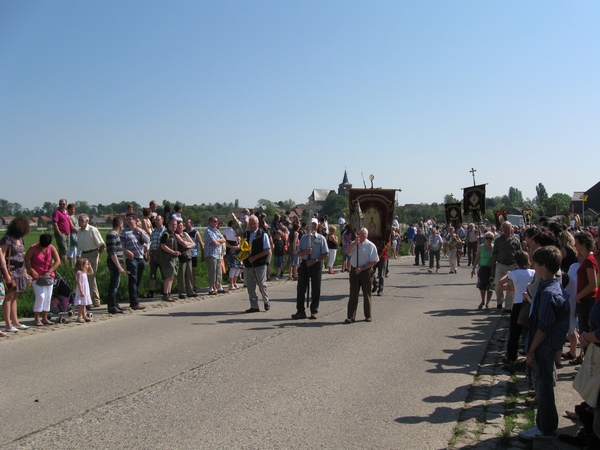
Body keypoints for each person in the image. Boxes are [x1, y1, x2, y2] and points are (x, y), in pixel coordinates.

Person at [519, 246, 570, 440]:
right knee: (543, 386)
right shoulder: (551, 284)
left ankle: (546, 428)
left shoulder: (549, 292)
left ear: (543, 266)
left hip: (543, 346)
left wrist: (530, 350)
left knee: (544, 388)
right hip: (547, 345)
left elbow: (544, 327)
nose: (532, 265)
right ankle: (543, 424)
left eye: (535, 263)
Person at [497, 250, 535, 368]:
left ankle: (512, 356)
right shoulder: (533, 272)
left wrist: (509, 281)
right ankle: (531, 355)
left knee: (514, 332)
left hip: (518, 303)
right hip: (529, 303)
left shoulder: (514, 273)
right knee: (530, 331)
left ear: (516, 261)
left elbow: (499, 284)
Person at [292, 218, 328, 320]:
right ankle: (300, 311)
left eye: (314, 224)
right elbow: (298, 253)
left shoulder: (321, 238)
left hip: (315, 264)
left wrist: (315, 260)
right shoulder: (303, 238)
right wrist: (305, 252)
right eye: (311, 224)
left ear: (317, 226)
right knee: (301, 287)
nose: (313, 226)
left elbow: (326, 253)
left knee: (316, 287)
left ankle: (314, 310)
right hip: (304, 264)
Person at [570, 231, 598, 365]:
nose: (574, 244)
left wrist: (578, 297)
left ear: (582, 243)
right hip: (584, 301)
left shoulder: (589, 261)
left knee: (586, 337)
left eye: (576, 242)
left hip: (587, 301)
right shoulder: (587, 259)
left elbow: (593, 284)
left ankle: (588, 369)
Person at [0, 216, 31, 332]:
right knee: (9, 297)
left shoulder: (21, 239)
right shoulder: (7, 239)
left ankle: (15, 321)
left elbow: (21, 256)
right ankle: (8, 324)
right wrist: (6, 274)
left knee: (15, 297)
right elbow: (1, 256)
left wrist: (25, 272)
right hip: (10, 271)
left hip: (19, 270)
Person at [24, 233, 61, 326]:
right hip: (36, 276)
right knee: (41, 296)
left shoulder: (51, 248)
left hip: (48, 276)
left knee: (48, 297)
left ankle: (45, 317)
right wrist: (32, 270)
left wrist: (50, 270)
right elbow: (26, 260)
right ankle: (36, 318)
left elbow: (58, 261)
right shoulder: (33, 248)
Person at [345, 227, 379, 323]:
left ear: (364, 235)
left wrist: (363, 268)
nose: (357, 235)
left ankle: (368, 315)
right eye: (357, 233)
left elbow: (374, 260)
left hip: (366, 271)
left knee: (366, 293)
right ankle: (351, 316)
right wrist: (354, 244)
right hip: (354, 271)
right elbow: (347, 252)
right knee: (353, 294)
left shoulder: (370, 246)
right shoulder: (354, 244)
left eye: (359, 234)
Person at [120, 213, 150, 310]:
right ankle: (134, 302)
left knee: (138, 280)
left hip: (141, 258)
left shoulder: (140, 231)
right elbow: (120, 245)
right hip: (131, 259)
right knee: (132, 280)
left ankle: (134, 298)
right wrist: (127, 251)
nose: (128, 221)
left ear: (135, 220)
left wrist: (138, 230)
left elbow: (147, 240)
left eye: (130, 219)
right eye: (127, 219)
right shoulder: (124, 232)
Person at [242, 215, 271, 313]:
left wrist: (255, 257)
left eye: (254, 224)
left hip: (260, 263)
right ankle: (254, 306)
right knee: (250, 286)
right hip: (248, 264)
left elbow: (267, 250)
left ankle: (266, 301)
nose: (252, 225)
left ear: (258, 224)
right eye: (250, 224)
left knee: (261, 284)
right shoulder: (245, 234)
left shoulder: (263, 234)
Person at [491, 221, 522, 310]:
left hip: (512, 266)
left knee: (510, 286)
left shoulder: (516, 240)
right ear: (502, 229)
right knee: (497, 284)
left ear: (511, 229)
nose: (507, 230)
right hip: (500, 265)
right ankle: (499, 301)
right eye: (505, 228)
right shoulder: (498, 240)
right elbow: (495, 254)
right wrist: (492, 267)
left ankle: (508, 306)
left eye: (508, 228)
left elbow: (520, 253)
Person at [77, 214, 106, 307]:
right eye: (79, 220)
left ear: (87, 221)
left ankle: (89, 301)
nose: (80, 222)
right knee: (85, 277)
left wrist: (97, 256)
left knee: (90, 277)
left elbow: (102, 245)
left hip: (92, 253)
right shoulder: (79, 231)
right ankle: (95, 300)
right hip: (83, 255)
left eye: (82, 220)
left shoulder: (92, 230)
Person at [105, 216, 127, 314]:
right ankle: (112, 306)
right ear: (119, 224)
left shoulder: (115, 234)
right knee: (113, 285)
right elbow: (112, 252)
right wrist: (118, 266)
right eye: (122, 223)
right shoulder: (112, 235)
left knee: (116, 284)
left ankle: (115, 303)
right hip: (114, 262)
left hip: (116, 262)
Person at [156, 217, 180, 302]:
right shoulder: (166, 234)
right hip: (167, 259)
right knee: (168, 276)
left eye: (176, 224)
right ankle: (165, 294)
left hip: (173, 258)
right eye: (173, 224)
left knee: (172, 276)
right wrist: (173, 252)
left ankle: (169, 294)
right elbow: (163, 246)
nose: (174, 226)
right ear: (168, 224)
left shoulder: (173, 233)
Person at [471, 231, 495, 309]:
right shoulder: (481, 247)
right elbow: (477, 258)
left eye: (490, 238)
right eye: (487, 238)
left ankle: (488, 302)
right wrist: (473, 268)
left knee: (490, 286)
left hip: (491, 268)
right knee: (482, 286)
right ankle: (482, 301)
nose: (488, 240)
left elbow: (495, 259)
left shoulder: (494, 247)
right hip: (482, 268)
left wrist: (493, 269)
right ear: (484, 238)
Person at [174, 220, 198, 299]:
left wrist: (188, 245)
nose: (180, 227)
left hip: (189, 255)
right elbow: (183, 243)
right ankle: (181, 292)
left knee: (189, 274)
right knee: (181, 275)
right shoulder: (176, 235)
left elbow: (193, 243)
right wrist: (188, 244)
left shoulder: (185, 233)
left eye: (181, 225)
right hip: (181, 256)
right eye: (178, 225)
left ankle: (190, 291)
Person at [204, 216, 226, 295]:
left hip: (218, 253)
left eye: (216, 221)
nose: (216, 223)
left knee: (218, 271)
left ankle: (219, 286)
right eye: (214, 221)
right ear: (210, 222)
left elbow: (224, 240)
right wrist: (218, 241)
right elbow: (214, 242)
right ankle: (211, 288)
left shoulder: (216, 231)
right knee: (212, 271)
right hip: (211, 254)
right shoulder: (208, 231)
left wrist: (218, 241)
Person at [147, 215, 166, 298]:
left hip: (162, 253)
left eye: (158, 220)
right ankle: (151, 291)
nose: (156, 221)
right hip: (153, 253)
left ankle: (166, 290)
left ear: (162, 221)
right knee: (152, 273)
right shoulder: (154, 231)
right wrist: (148, 253)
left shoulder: (165, 231)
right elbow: (150, 242)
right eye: (156, 220)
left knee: (164, 272)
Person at [185, 219, 204, 293]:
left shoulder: (195, 232)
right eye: (185, 223)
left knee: (192, 270)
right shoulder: (184, 232)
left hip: (193, 253)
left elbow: (201, 243)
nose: (186, 224)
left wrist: (203, 254)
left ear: (191, 224)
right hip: (185, 253)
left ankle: (193, 284)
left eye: (187, 223)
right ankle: (187, 285)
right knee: (186, 270)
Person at [52, 199, 72, 264]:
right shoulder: (57, 212)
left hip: (67, 233)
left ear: (66, 205)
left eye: (63, 204)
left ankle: (61, 263)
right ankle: (64, 265)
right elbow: (55, 223)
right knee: (63, 249)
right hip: (61, 233)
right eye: (60, 204)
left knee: (67, 250)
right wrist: (59, 233)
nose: (62, 205)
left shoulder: (66, 213)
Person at [74, 258, 93, 323]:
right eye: (87, 264)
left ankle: (84, 315)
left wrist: (90, 266)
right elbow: (79, 282)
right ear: (82, 265)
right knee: (82, 304)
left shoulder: (84, 272)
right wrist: (81, 291)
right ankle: (79, 316)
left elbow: (91, 272)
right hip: (82, 289)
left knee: (84, 304)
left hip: (85, 289)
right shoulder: (79, 273)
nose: (88, 265)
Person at [223, 220, 242, 289]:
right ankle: (233, 282)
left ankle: (233, 283)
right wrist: (237, 245)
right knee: (236, 267)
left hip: (231, 248)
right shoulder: (234, 231)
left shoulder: (225, 231)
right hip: (235, 249)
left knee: (234, 267)